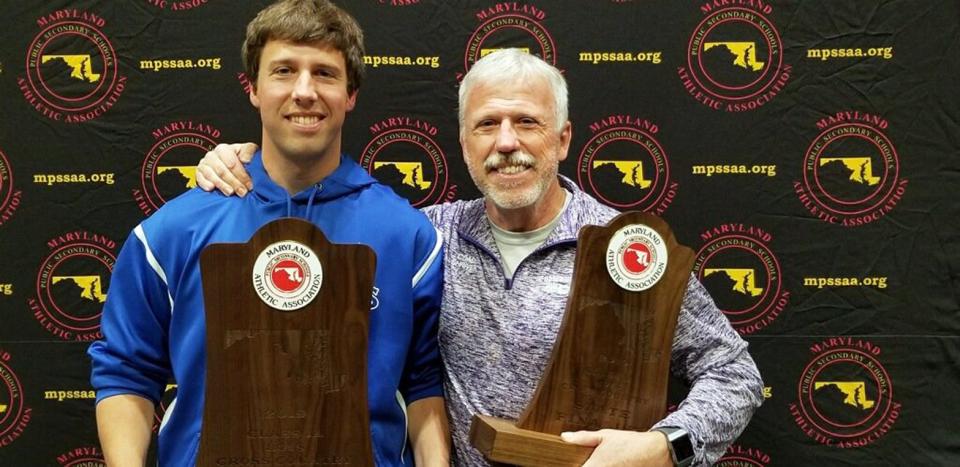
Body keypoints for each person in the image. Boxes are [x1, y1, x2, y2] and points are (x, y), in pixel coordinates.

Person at [198, 49, 764, 466]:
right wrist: (244, 163)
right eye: (487, 125)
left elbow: (734, 373)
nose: (507, 142)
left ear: (563, 140)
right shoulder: (426, 235)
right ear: (465, 144)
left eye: (527, 123)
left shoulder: (628, 246)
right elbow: (315, 248)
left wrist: (665, 446)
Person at [88, 1, 449, 466]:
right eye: (283, 70)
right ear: (253, 88)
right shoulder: (173, 232)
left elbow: (423, 383)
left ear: (351, 94)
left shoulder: (408, 236)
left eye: (324, 73)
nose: (304, 91)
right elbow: (127, 372)